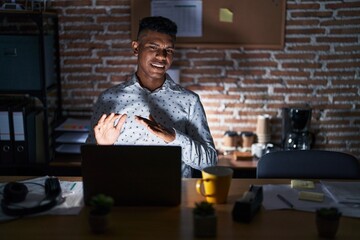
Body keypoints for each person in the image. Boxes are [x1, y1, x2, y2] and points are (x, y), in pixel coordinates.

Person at [86, 16, 217, 177]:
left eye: (169, 50)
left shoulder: (190, 101)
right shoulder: (109, 99)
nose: (162, 56)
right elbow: (89, 165)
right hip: (123, 193)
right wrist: (103, 147)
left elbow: (210, 163)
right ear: (136, 48)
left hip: (175, 195)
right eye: (153, 47)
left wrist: (174, 138)